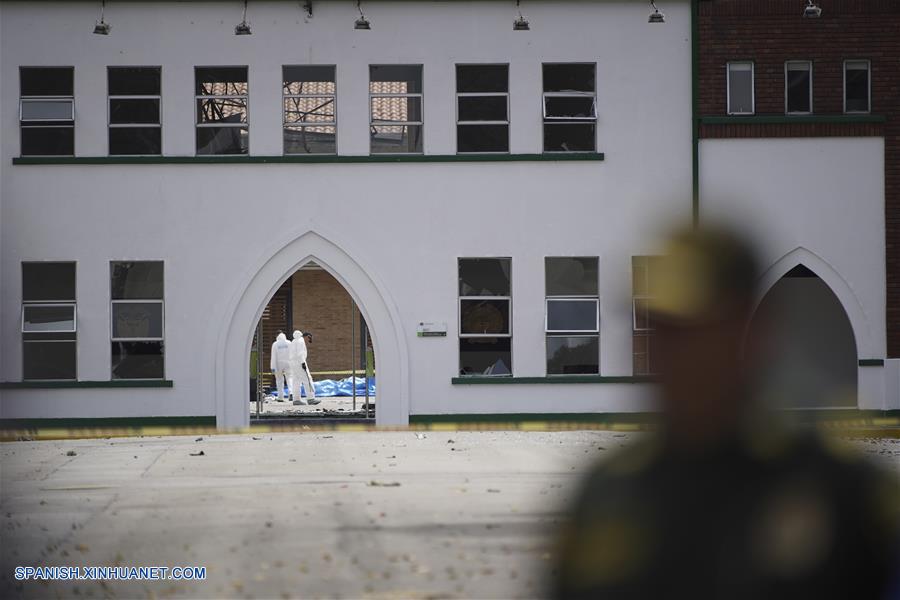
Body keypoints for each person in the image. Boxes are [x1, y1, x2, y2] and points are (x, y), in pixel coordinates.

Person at [552, 225, 899, 599]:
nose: (671, 355)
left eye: (693, 333)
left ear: (751, 333)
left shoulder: (843, 497)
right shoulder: (607, 496)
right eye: (659, 331)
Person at [290, 330, 319, 406]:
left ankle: (296, 399)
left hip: (293, 363)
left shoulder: (293, 341)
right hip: (300, 362)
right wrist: (303, 362)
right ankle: (311, 398)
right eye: (309, 339)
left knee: (296, 381)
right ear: (307, 337)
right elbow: (300, 353)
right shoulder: (301, 341)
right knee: (307, 379)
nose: (308, 341)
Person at [269, 331, 292, 402]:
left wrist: (273, 368)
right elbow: (293, 354)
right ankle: (292, 393)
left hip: (278, 364)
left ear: (277, 336)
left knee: (279, 380)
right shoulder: (289, 343)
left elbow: (273, 357)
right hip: (288, 363)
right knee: (290, 378)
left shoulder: (275, 344)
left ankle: (280, 397)